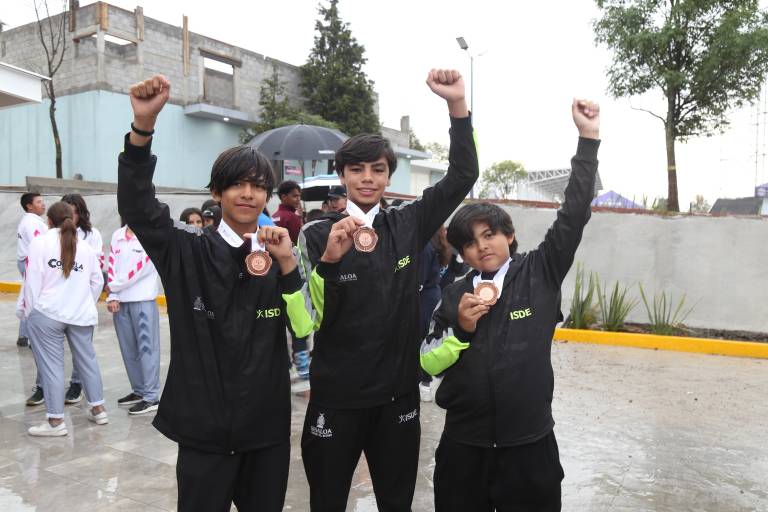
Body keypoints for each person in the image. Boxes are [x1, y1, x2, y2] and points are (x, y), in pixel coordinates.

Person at [120, 74, 313, 512]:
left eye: (258, 186)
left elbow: (304, 328)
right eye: (237, 184)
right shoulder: (185, 249)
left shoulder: (280, 253)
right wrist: (142, 129)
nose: (248, 193)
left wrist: (287, 265)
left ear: (267, 196)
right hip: (203, 431)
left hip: (265, 431)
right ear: (216, 192)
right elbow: (136, 206)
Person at [297, 68, 478, 511]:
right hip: (337, 397)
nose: (367, 178)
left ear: (388, 176)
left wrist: (457, 106)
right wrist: (330, 263)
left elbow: (463, 175)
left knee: (396, 502)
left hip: (397, 396)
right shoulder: (317, 234)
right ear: (342, 175)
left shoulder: (408, 222)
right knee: (326, 502)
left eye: (377, 170)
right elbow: (308, 317)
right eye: (356, 169)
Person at [419, 99, 601, 511]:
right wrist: (461, 330)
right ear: (460, 252)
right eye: (469, 242)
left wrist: (587, 139)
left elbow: (573, 214)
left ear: (510, 235)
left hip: (529, 443)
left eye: (489, 235)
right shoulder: (453, 294)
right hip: (464, 444)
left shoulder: (541, 271)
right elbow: (427, 363)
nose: (482, 247)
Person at [19, 201, 107, 436]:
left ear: (49, 221)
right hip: (80, 314)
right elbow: (97, 281)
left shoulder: (40, 243)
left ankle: (56, 422)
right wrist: (84, 302)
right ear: (72, 218)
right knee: (87, 361)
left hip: (47, 313)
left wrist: (31, 312)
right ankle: (99, 410)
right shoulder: (85, 247)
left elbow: (32, 281)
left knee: (52, 366)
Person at [106, 221, 162, 415]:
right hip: (121, 302)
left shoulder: (150, 235)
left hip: (143, 301)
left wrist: (113, 288)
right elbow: (111, 266)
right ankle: (139, 390)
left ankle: (151, 396)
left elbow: (139, 269)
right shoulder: (118, 235)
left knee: (147, 349)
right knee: (128, 349)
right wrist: (113, 295)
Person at [56, 193, 105, 404]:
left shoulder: (92, 235)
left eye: (74, 212)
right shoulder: (52, 235)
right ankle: (43, 386)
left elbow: (96, 271)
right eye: (66, 211)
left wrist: (87, 300)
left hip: (80, 301)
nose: (70, 216)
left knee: (81, 349)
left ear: (81, 213)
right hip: (57, 301)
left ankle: (77, 384)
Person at [271, 180, 310, 382]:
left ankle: (285, 363)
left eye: (299, 195)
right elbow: (299, 246)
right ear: (283, 196)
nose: (298, 199)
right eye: (295, 195)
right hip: (292, 272)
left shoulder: (273, 216)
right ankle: (303, 364)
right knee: (297, 320)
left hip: (273, 273)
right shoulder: (292, 219)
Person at [416, 228, 452, 403]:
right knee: (426, 337)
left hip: (423, 299)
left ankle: (424, 382)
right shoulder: (439, 245)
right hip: (433, 294)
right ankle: (425, 382)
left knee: (420, 339)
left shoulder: (425, 247)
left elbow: (418, 282)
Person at [16, 192, 47, 348]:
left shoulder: (32, 221)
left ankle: (24, 334)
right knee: (33, 298)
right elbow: (38, 245)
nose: (43, 204)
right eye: (39, 202)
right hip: (31, 263)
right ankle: (29, 335)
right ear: (29, 206)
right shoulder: (32, 223)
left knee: (30, 296)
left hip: (27, 262)